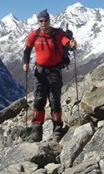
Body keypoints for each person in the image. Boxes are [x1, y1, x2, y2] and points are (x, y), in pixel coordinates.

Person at [22, 9, 77, 142]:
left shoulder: (57, 33)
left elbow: (65, 42)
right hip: (39, 72)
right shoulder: (34, 35)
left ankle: (57, 129)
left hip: (54, 72)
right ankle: (36, 130)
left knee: (54, 101)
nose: (44, 23)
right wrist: (25, 62)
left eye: (46, 20)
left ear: (49, 21)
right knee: (39, 101)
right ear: (38, 22)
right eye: (41, 21)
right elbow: (27, 50)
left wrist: (71, 44)